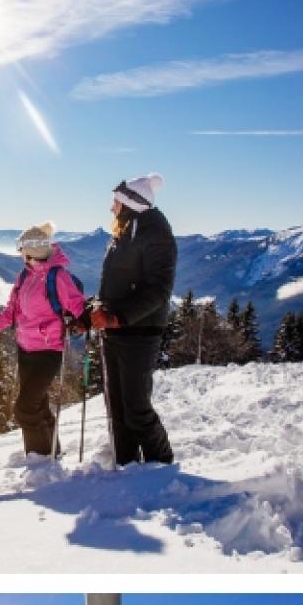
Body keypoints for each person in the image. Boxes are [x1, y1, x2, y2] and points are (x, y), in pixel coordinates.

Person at [0, 222, 86, 458]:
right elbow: (12, 310)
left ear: (31, 251)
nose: (20, 255)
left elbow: (77, 304)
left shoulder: (58, 276)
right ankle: (52, 453)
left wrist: (87, 318)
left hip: (48, 351)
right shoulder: (24, 275)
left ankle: (39, 458)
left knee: (25, 409)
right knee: (38, 405)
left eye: (22, 250)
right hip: (25, 349)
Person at [89, 173, 176, 466]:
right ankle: (126, 465)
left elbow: (159, 290)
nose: (111, 208)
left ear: (129, 204)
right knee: (116, 408)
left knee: (136, 408)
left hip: (140, 332)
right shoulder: (126, 232)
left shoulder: (155, 234)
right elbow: (117, 284)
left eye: (115, 202)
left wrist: (117, 317)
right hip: (118, 331)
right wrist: (93, 311)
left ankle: (162, 465)